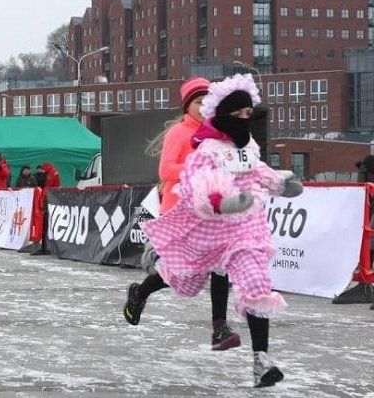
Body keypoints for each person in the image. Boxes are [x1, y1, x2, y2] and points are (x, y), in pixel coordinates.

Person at [127, 74, 303, 388]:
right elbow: (187, 181)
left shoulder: (245, 144)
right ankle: (140, 293)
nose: (244, 121)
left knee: (255, 283)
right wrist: (221, 201)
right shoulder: (197, 143)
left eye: (249, 115)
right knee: (182, 276)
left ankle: (259, 358)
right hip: (199, 223)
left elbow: (256, 169)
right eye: (238, 115)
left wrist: (279, 182)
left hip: (243, 229)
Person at [131, 77, 241, 351]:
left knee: (219, 265)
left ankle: (219, 328)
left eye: (207, 102)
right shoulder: (179, 134)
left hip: (211, 211)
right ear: (187, 106)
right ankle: (139, 292)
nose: (203, 107)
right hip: (181, 210)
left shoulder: (220, 136)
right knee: (181, 274)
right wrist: (198, 169)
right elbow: (165, 171)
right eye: (197, 101)